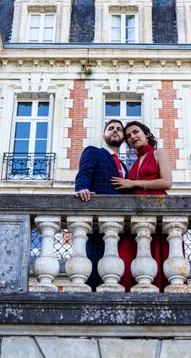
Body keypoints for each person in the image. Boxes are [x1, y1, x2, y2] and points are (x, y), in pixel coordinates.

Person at [111, 121, 172, 291]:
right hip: (135, 216)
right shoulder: (133, 164)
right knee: (131, 258)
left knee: (158, 257)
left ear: (146, 135)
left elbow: (167, 182)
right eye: (128, 136)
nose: (132, 137)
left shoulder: (159, 153)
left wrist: (133, 183)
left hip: (157, 209)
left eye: (135, 132)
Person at [75, 119, 129, 288]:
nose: (115, 131)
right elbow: (85, 172)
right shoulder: (94, 152)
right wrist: (82, 188)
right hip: (98, 223)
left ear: (123, 137)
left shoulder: (124, 166)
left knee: (114, 273)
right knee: (92, 270)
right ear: (104, 135)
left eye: (119, 129)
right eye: (111, 128)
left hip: (119, 226)